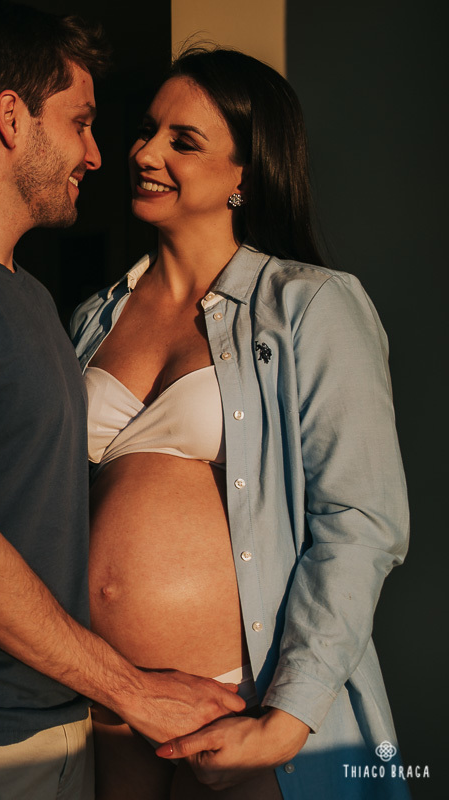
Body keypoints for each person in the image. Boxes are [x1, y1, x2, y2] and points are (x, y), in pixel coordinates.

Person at [0, 6, 245, 799]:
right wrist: (134, 690)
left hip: (57, 713)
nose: (99, 155)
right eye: (80, 123)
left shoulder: (31, 296)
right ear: (9, 117)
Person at [70, 47, 409, 799]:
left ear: (244, 175)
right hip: (103, 711)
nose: (144, 152)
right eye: (148, 130)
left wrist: (285, 719)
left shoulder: (310, 306)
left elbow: (360, 520)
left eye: (182, 141)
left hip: (239, 707)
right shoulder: (93, 319)